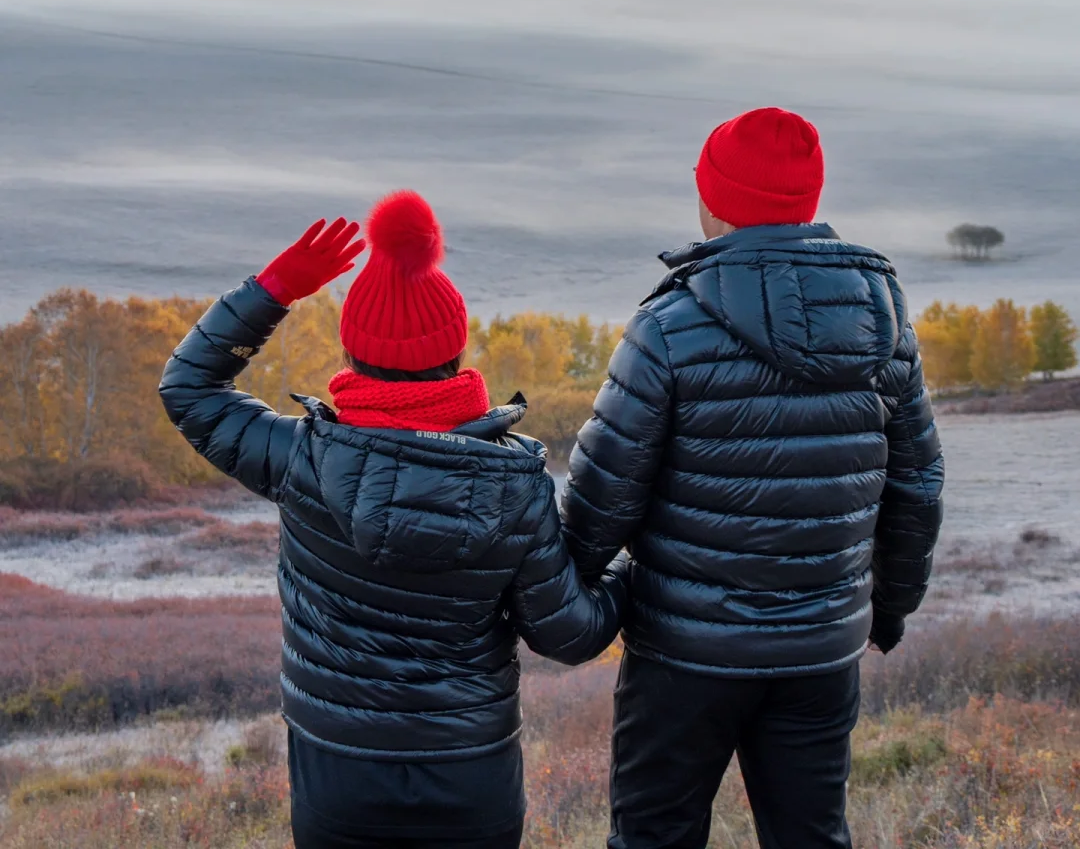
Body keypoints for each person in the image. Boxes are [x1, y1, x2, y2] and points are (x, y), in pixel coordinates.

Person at [160, 190, 625, 849]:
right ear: (456, 350)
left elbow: (189, 388)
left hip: (337, 775)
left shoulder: (302, 459)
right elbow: (569, 634)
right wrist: (640, 567)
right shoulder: (514, 484)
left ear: (352, 352)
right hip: (471, 779)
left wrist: (275, 289)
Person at [561, 106, 944, 849]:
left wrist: (565, 599)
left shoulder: (669, 326)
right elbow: (918, 489)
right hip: (822, 651)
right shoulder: (884, 323)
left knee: (653, 838)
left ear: (713, 202)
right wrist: (886, 611)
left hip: (684, 656)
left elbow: (604, 491)